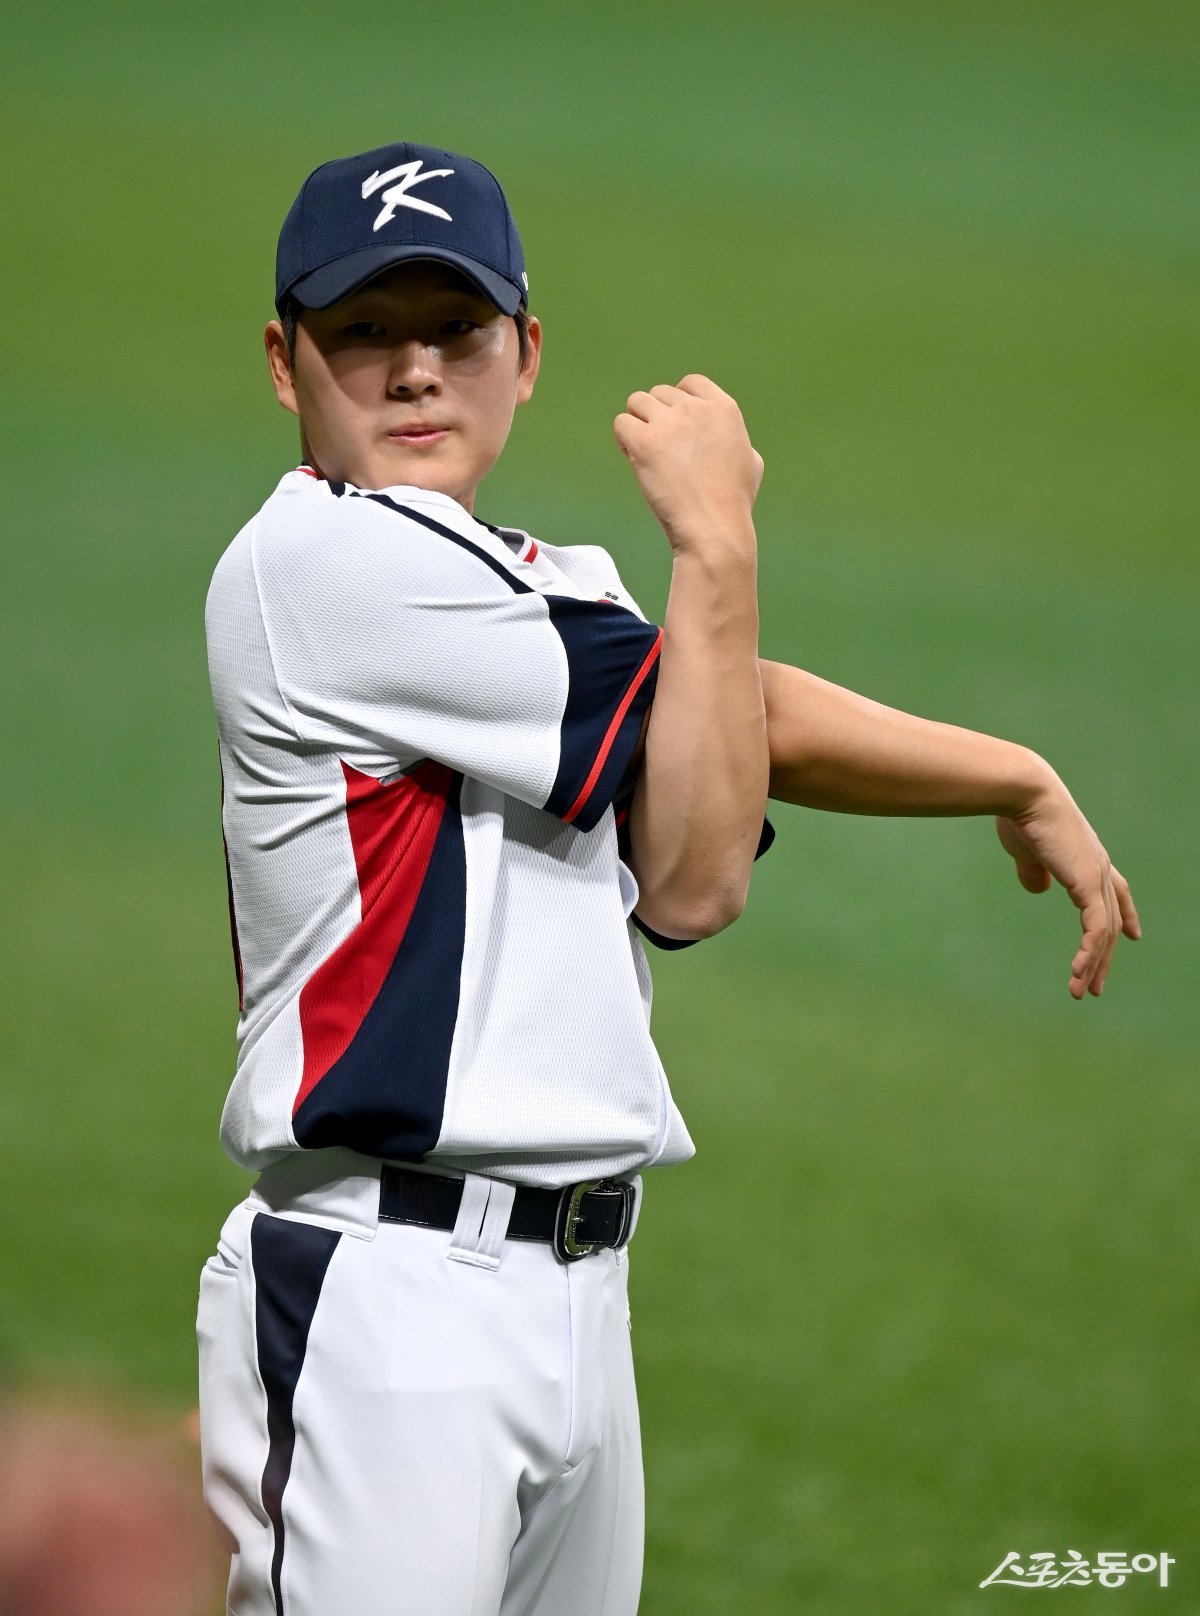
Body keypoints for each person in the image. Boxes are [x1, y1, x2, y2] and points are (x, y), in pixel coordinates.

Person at [198, 141, 1139, 1616]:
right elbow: (701, 852)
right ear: (284, 362)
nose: (416, 369)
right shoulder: (316, 563)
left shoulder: (537, 581)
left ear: (526, 355)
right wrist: (716, 541)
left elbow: (710, 765)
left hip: (576, 1294)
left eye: (456, 327)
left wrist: (1012, 772)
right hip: (388, 1305)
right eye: (364, 328)